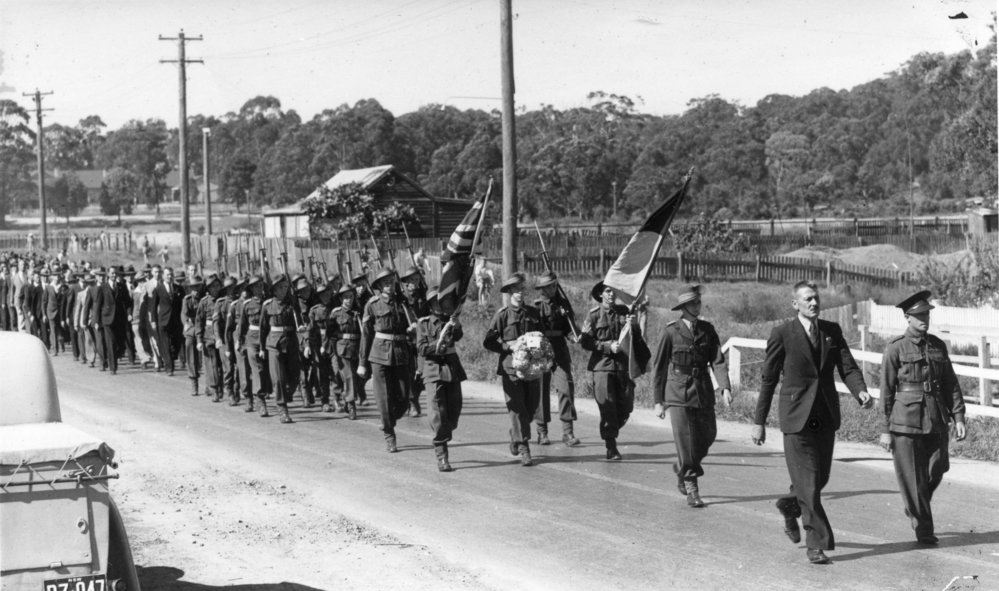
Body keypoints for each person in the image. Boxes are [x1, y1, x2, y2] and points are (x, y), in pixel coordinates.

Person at [751, 280, 874, 565]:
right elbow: (769, 379)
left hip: (824, 417)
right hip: (796, 418)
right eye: (807, 299)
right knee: (808, 483)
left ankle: (789, 505)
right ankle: (816, 542)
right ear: (795, 304)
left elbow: (848, 367)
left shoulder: (832, 332)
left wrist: (860, 391)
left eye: (816, 298)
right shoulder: (782, 333)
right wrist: (759, 421)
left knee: (820, 479)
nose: (814, 303)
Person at [879, 290, 967, 545]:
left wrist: (959, 416)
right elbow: (886, 391)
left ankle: (915, 504)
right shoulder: (895, 348)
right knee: (912, 476)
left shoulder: (937, 346)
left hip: (936, 417)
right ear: (907, 317)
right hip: (904, 421)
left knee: (939, 466)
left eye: (926, 314)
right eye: (918, 316)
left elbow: (950, 383)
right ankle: (924, 529)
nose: (924, 320)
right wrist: (885, 429)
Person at [652, 285, 732, 508]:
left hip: (703, 389)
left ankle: (682, 470)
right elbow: (658, 369)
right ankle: (692, 488)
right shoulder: (670, 332)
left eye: (699, 302)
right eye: (693, 303)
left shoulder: (707, 330)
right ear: (684, 307)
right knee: (686, 440)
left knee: (708, 435)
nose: (698, 306)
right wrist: (658, 401)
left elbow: (717, 360)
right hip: (677, 392)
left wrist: (725, 387)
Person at [579, 281, 648, 461]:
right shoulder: (593, 316)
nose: (611, 295)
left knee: (626, 406)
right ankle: (611, 445)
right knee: (607, 406)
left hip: (623, 366)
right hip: (602, 367)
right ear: (601, 294)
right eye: (608, 291)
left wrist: (633, 325)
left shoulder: (624, 312)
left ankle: (612, 429)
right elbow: (585, 341)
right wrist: (608, 346)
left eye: (613, 291)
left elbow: (636, 337)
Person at [482, 273, 542, 467]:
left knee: (531, 408)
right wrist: (509, 346)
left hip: (531, 367)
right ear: (508, 293)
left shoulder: (533, 313)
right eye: (515, 290)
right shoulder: (502, 315)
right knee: (517, 409)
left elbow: (542, 336)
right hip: (510, 368)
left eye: (521, 289)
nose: (519, 293)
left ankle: (515, 435)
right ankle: (524, 446)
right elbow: (489, 341)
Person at [359, 269, 415, 452]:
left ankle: (389, 419)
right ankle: (389, 433)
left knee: (404, 397)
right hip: (379, 355)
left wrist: (413, 328)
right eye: (386, 282)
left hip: (400, 353)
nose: (390, 285)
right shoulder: (372, 305)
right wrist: (362, 363)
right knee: (383, 398)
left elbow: (412, 324)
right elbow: (366, 335)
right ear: (379, 286)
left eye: (392, 281)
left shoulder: (403, 303)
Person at [417, 286, 465, 472]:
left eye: (443, 301)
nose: (440, 305)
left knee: (454, 412)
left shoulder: (451, 321)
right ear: (430, 305)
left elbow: (459, 336)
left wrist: (456, 323)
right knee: (437, 414)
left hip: (452, 369)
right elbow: (421, 348)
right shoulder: (424, 323)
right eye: (436, 302)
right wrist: (438, 343)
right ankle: (442, 454)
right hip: (433, 370)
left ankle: (445, 432)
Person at [532, 271, 580, 447]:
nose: (551, 289)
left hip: (560, 349)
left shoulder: (563, 304)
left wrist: (573, 336)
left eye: (553, 285)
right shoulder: (536, 307)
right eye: (547, 286)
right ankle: (542, 431)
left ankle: (568, 432)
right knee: (541, 391)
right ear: (542, 288)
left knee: (566, 387)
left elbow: (569, 328)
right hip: (542, 350)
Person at [260, 274, 302, 424]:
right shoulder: (268, 305)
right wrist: (261, 348)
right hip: (274, 344)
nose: (284, 290)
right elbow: (263, 329)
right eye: (281, 287)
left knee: (295, 375)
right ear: (275, 290)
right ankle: (282, 408)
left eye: (286, 287)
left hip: (291, 342)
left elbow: (300, 322)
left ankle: (287, 393)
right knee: (278, 379)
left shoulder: (292, 303)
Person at [329, 284, 362, 420]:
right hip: (342, 348)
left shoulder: (357, 314)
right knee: (348, 376)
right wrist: (333, 353)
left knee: (358, 378)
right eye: (346, 297)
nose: (348, 300)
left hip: (357, 348)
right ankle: (351, 404)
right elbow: (331, 335)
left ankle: (347, 398)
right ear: (341, 299)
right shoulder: (335, 313)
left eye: (351, 297)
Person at [181, 275, 204, 395]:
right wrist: (186, 323)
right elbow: (184, 314)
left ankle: (211, 384)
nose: (195, 289)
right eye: (193, 287)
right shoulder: (187, 299)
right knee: (190, 352)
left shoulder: (205, 298)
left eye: (197, 286)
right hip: (192, 328)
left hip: (204, 328)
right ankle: (194, 383)